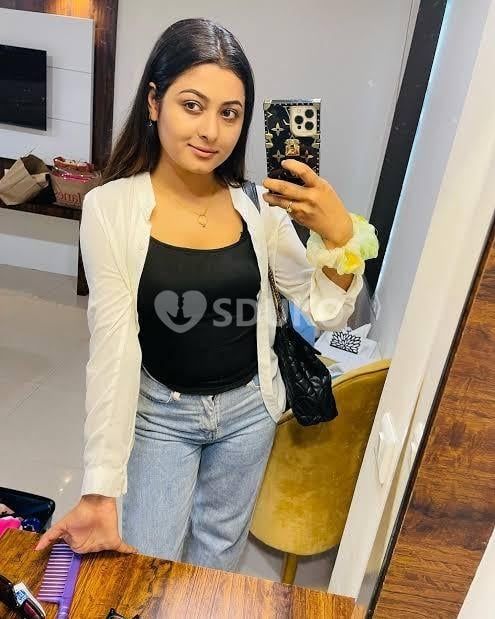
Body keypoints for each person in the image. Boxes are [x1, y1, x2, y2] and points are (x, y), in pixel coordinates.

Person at [35, 18, 377, 571]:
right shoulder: (110, 208)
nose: (211, 132)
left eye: (230, 113)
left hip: (250, 411)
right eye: (192, 105)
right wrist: (100, 487)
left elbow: (324, 311)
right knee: (148, 560)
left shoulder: (258, 207)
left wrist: (340, 238)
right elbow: (113, 350)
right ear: (154, 102)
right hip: (159, 414)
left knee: (217, 559)